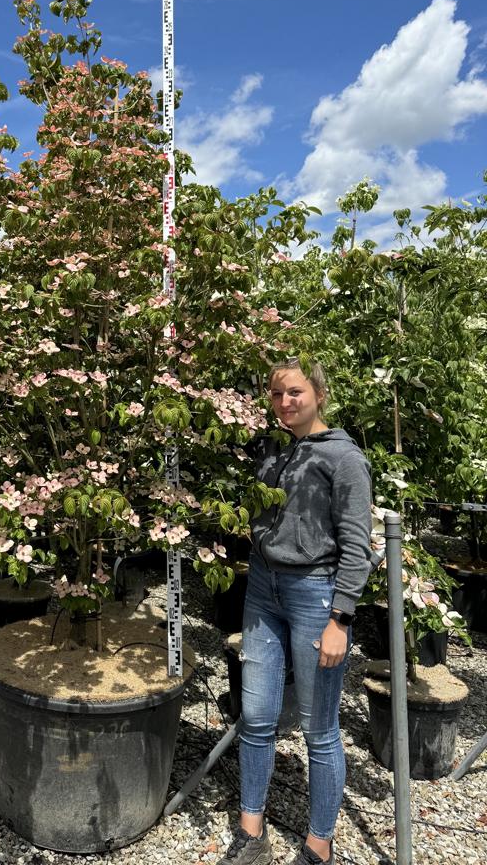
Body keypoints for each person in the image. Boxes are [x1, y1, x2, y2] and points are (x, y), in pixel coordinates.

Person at [218, 357, 372, 865]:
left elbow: (357, 545)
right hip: (263, 590)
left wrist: (340, 619)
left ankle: (319, 844)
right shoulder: (269, 449)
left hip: (315, 596)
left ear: (319, 394)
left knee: (319, 728)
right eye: (277, 393)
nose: (285, 402)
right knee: (257, 716)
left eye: (295, 393)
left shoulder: (343, 458)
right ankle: (251, 832)